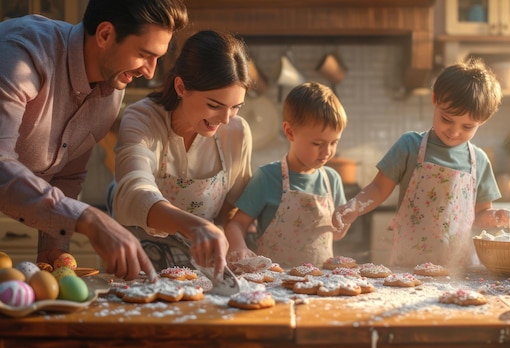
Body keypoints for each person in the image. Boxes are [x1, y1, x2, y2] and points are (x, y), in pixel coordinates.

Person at [0, 0, 188, 281]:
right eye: (143, 54)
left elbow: (67, 175)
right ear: (104, 35)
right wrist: (87, 218)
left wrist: (54, 251)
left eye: (158, 58)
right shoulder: (23, 56)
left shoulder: (112, 88)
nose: (150, 71)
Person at [333, 58, 510, 269]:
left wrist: (494, 217)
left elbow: (479, 215)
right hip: (410, 267)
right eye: (446, 119)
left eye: (467, 126)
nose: (454, 131)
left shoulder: (479, 160)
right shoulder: (409, 146)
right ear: (434, 100)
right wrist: (355, 206)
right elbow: (378, 187)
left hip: (458, 270)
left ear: (483, 120)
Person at [110, 30, 253, 278]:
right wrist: (195, 227)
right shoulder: (142, 119)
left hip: (204, 267)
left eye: (235, 107)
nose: (226, 119)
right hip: (137, 262)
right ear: (181, 87)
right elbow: (133, 192)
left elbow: (233, 207)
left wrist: (233, 242)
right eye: (214, 105)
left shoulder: (237, 131)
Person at [224, 81, 350, 268]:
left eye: (334, 143)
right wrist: (239, 247)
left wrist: (349, 216)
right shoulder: (267, 177)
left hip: (321, 281)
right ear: (290, 132)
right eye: (317, 143)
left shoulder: (332, 180)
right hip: (274, 280)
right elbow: (237, 224)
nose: (327, 151)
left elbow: (338, 234)